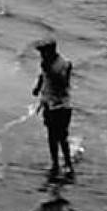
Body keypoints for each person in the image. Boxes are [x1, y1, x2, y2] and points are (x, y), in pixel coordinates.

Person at [33, 38, 75, 177]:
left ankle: (68, 164)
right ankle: (55, 163)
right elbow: (42, 75)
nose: (41, 56)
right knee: (51, 136)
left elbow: (63, 85)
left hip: (62, 105)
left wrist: (50, 72)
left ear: (51, 51)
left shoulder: (63, 64)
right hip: (49, 104)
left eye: (43, 52)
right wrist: (38, 87)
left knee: (61, 136)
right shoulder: (46, 63)